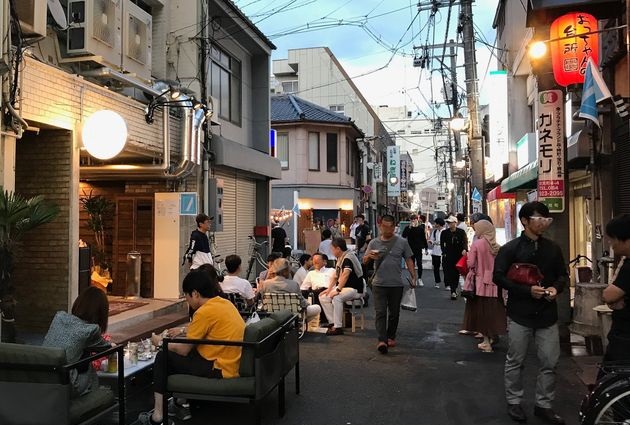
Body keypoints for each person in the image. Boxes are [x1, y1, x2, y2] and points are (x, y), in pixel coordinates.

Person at [493, 201, 568, 424]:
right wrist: (527, 290)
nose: (543, 223)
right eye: (538, 218)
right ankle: (514, 402)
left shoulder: (553, 248)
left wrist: (556, 288)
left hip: (547, 313)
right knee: (516, 359)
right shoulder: (511, 249)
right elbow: (498, 277)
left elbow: (562, 275)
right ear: (524, 221)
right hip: (520, 312)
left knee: (550, 361)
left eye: (546, 218)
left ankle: (544, 405)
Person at [140, 267, 245, 425]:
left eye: (186, 296)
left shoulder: (204, 312)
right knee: (175, 355)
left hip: (220, 367)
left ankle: (158, 415)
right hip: (232, 360)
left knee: (163, 357)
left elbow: (184, 349)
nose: (186, 300)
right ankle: (180, 404)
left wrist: (160, 342)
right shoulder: (224, 303)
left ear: (195, 293)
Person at [43, 286, 111, 398]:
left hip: (43, 377)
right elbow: (105, 347)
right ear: (100, 313)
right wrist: (112, 345)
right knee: (89, 364)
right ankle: (95, 397)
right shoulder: (90, 330)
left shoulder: (59, 317)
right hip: (66, 384)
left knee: (83, 355)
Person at [363, 215, 416, 354]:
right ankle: (382, 340)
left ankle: (391, 336)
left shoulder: (402, 242)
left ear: (394, 227)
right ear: (380, 226)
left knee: (394, 313)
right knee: (380, 312)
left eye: (389, 227)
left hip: (396, 284)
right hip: (378, 284)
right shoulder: (373, 243)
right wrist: (369, 257)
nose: (386, 229)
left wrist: (413, 276)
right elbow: (364, 260)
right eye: (383, 226)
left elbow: (409, 259)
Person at [461, 220, 506, 353]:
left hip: (480, 283)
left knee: (482, 313)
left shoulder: (477, 244)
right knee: (493, 311)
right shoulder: (497, 246)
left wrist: (466, 255)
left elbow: (470, 263)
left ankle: (486, 342)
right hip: (495, 283)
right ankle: (493, 336)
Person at [601, 214, 630, 372]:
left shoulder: (628, 267)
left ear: (624, 239)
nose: (610, 244)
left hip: (625, 338)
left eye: (612, 239)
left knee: (611, 383)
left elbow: (608, 295)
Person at [319, 238, 365, 335]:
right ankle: (332, 322)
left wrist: (337, 290)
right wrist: (329, 289)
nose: (331, 251)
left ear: (338, 249)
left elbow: (345, 275)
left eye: (332, 249)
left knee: (337, 298)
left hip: (354, 288)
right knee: (323, 297)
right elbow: (336, 276)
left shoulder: (348, 257)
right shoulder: (340, 258)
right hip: (344, 287)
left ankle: (338, 327)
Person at [259, 258, 322, 328]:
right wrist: (308, 303)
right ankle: (298, 324)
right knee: (317, 308)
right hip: (292, 314)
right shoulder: (294, 284)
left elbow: (263, 300)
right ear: (286, 270)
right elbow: (303, 304)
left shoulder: (266, 284)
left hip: (272, 313)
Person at [441, 215, 468, 300]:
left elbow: (465, 242)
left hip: (458, 255)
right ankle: (453, 290)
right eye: (448, 222)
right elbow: (442, 244)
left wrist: (465, 249)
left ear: (455, 223)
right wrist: (444, 252)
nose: (449, 224)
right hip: (448, 255)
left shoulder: (461, 232)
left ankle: (454, 289)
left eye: (450, 222)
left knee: (456, 273)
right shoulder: (445, 233)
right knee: (450, 272)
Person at [402, 214, 429, 287]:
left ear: (417, 220)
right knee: (412, 264)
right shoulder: (408, 228)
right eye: (412, 219)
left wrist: (426, 248)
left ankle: (419, 278)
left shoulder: (420, 228)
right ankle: (413, 278)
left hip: (418, 248)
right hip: (410, 248)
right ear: (410, 220)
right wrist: (409, 228)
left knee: (419, 263)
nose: (413, 221)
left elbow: (423, 238)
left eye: (414, 219)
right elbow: (403, 236)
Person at [429, 217, 446, 289]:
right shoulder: (435, 231)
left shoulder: (445, 231)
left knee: (445, 268)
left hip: (443, 251)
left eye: (435, 223)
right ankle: (437, 281)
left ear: (439, 224)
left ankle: (447, 283)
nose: (434, 224)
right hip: (435, 252)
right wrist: (431, 242)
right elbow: (432, 240)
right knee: (436, 268)